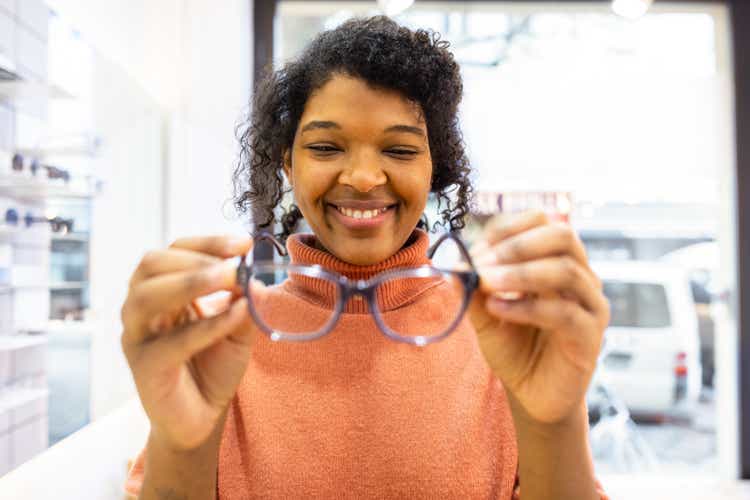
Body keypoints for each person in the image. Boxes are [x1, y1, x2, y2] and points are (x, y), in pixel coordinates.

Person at [121, 16, 610, 500]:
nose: (362, 176)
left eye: (398, 150)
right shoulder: (225, 339)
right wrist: (182, 444)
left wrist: (556, 420)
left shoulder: (502, 336)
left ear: (432, 167)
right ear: (288, 162)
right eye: (326, 146)